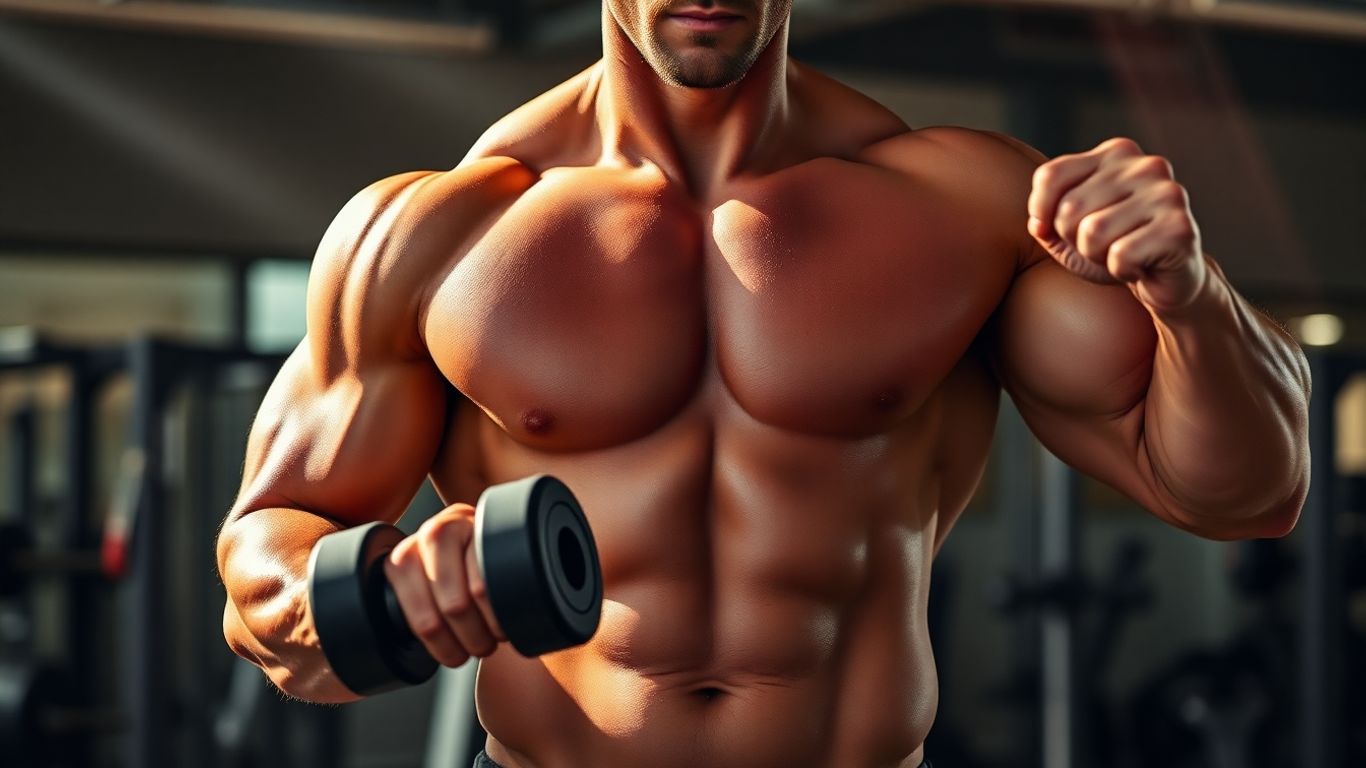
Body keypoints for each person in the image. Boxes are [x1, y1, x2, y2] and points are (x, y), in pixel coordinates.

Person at [215, 2, 1311, 766]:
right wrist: (376, 593)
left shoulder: (963, 207)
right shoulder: (438, 232)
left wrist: (1188, 290)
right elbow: (262, 580)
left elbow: (1244, 493)